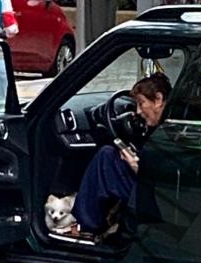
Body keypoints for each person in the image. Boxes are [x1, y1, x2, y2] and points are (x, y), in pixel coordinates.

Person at [71, 73, 171, 235]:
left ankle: (86, 225)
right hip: (154, 191)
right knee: (109, 154)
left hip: (158, 198)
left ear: (158, 99)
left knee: (106, 158)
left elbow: (165, 178)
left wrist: (136, 166)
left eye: (141, 103)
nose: (138, 111)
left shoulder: (169, 131)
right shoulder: (166, 126)